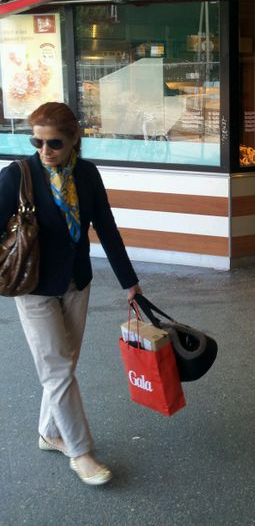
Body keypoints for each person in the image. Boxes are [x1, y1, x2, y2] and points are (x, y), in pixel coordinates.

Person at [0, 102, 142, 486]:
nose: (44, 151)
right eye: (37, 141)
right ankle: (80, 452)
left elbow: (107, 229)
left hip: (76, 281)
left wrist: (129, 281)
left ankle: (50, 432)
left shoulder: (87, 174)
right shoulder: (18, 176)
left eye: (55, 143)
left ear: (74, 140)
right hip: (33, 286)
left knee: (65, 365)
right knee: (58, 369)